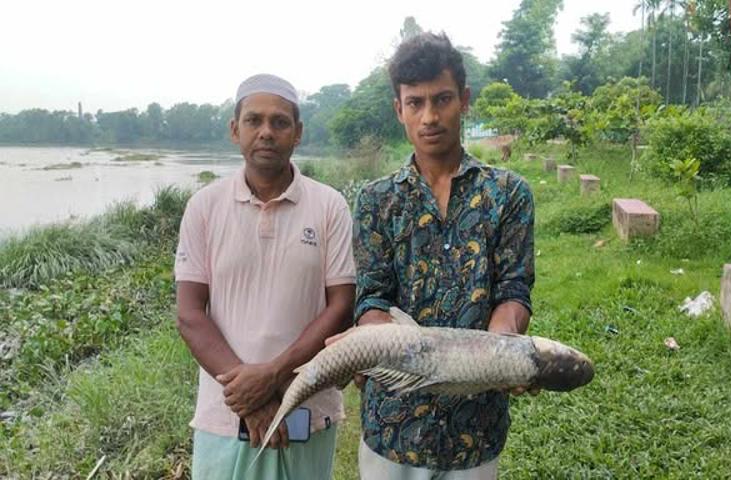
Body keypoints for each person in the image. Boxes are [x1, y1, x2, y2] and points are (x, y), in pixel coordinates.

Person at [351, 33, 535, 479]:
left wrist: (502, 345)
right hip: (393, 426)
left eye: (442, 99)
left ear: (464, 100)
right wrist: (380, 339)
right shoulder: (376, 200)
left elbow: (513, 289)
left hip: (476, 427)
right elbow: (372, 298)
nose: (429, 117)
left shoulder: (508, 193)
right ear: (399, 109)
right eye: (415, 103)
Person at [174, 73, 356, 479]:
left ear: (298, 133)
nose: (266, 132)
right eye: (254, 121)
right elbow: (190, 314)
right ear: (234, 130)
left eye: (280, 122)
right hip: (226, 414)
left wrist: (275, 376)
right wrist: (250, 397)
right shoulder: (204, 207)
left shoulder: (329, 207)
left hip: (307, 410)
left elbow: (341, 307)